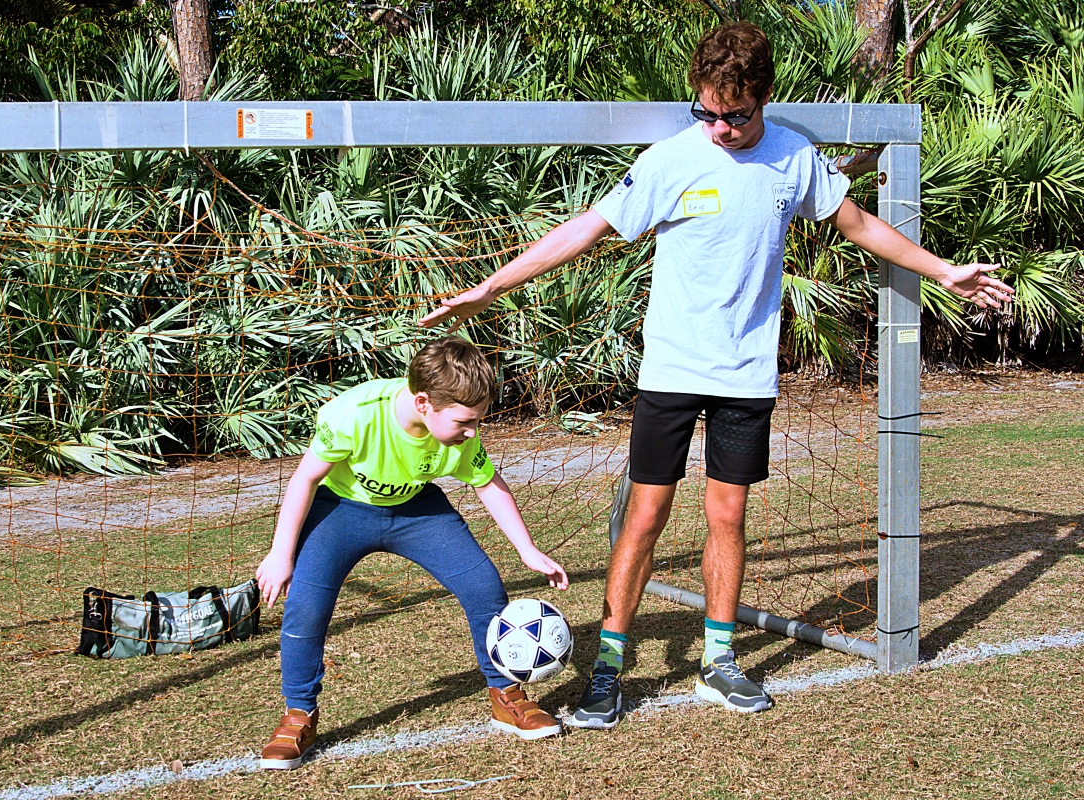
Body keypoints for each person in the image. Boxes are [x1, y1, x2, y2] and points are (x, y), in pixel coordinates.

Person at [419, 22, 1013, 729]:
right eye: (709, 111)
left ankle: (719, 662)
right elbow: (586, 229)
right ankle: (609, 667)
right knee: (644, 516)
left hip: (746, 374)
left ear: (763, 98)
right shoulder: (671, 160)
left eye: (737, 114)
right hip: (672, 368)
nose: (723, 127)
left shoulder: (795, 157)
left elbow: (859, 225)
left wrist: (945, 271)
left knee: (727, 516)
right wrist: (492, 287)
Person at [255, 336, 570, 770]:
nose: (473, 432)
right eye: (465, 422)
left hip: (418, 510)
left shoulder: (457, 435)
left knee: (484, 588)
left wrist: (528, 548)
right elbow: (304, 480)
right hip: (341, 510)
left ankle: (507, 696)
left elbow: (487, 484)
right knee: (306, 607)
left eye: (477, 421)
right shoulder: (356, 415)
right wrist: (280, 553)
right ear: (424, 403)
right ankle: (298, 714)